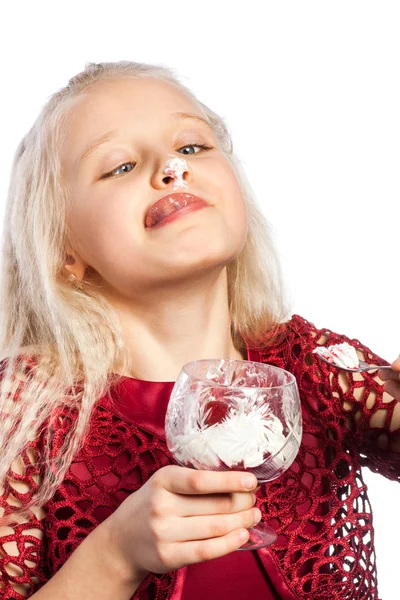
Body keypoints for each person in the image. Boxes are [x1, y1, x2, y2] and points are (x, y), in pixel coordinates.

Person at [0, 60, 399, 600]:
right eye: (119, 166)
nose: (172, 168)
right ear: (64, 250)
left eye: (191, 147)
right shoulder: (23, 412)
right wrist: (116, 554)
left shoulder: (318, 368)